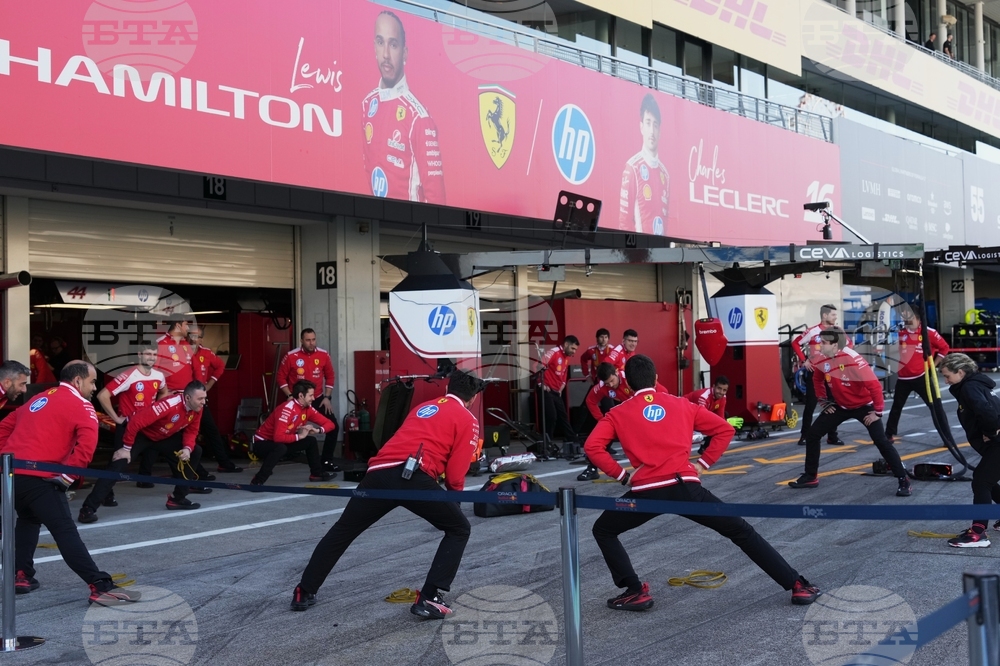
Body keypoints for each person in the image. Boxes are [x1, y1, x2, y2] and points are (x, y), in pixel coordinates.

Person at [585, 354, 821, 610]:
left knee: (604, 530)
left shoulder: (617, 412)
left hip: (645, 494)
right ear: (656, 378)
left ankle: (634, 590)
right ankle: (797, 585)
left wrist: (621, 475)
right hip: (687, 488)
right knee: (740, 531)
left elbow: (592, 446)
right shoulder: (681, 404)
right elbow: (724, 429)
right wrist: (703, 463)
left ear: (627, 385)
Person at [289, 370, 484, 618]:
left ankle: (304, 590)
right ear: (473, 398)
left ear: (447, 390)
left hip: (378, 474)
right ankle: (430, 597)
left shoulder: (423, 407)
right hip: (415, 477)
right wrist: (453, 504)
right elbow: (456, 474)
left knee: (343, 530)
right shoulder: (468, 419)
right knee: (459, 529)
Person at [0, 361, 140, 605]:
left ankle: (21, 575)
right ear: (78, 381)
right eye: (93, 381)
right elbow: (87, 445)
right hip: (41, 478)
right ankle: (99, 585)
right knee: (65, 530)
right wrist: (66, 477)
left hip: (13, 477)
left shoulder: (38, 399)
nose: (95, 387)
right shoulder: (82, 405)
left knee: (29, 520)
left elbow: (3, 427)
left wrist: (5, 460)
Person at [788, 328, 911, 497]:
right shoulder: (822, 358)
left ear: (835, 345)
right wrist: (824, 401)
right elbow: (817, 379)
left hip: (864, 406)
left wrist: (878, 412)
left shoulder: (852, 359)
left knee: (881, 441)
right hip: (841, 406)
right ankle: (810, 476)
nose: (819, 346)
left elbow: (874, 385)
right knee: (813, 434)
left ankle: (903, 479)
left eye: (823, 343)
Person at [82, 381, 210, 518]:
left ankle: (178, 499)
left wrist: (186, 448)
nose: (203, 402)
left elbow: (192, 431)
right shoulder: (169, 404)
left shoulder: (197, 408)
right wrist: (126, 448)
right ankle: (88, 509)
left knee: (195, 450)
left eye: (205, 398)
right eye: (200, 399)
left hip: (161, 436)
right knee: (118, 464)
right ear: (188, 398)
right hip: (137, 432)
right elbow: (135, 422)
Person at [361, 10, 445, 204]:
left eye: (394, 45)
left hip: (408, 229)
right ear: (374, 46)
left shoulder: (419, 118)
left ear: (404, 52)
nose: (386, 55)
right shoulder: (367, 104)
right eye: (381, 42)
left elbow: (437, 199)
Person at [82, 344, 169, 518]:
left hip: (150, 428)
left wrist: (157, 411)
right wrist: (116, 419)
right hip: (129, 428)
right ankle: (89, 508)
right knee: (118, 465)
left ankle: (181, 495)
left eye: (154, 354)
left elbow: (164, 392)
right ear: (139, 355)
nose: (151, 357)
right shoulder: (129, 375)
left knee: (188, 450)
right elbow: (102, 395)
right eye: (147, 354)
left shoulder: (159, 376)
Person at [940, 353, 1000, 547]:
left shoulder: (970, 387)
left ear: (960, 372)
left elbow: (987, 411)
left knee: (981, 482)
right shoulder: (976, 385)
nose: (946, 380)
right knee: (988, 481)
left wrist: (991, 432)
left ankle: (977, 533)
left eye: (947, 375)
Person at [251, 380, 336, 485]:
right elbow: (278, 437)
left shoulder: (307, 408)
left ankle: (316, 474)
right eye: (311, 395)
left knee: (311, 441)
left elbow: (331, 424)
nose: (313, 398)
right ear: (301, 396)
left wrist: (318, 430)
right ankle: (257, 480)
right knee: (280, 448)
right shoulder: (287, 409)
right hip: (262, 443)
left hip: (280, 443)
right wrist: (299, 436)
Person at [278, 328, 340, 472]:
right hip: (297, 401)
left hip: (317, 398)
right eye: (308, 340)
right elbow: (281, 377)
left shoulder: (323, 354)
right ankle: (282, 454)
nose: (311, 343)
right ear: (301, 340)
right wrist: (289, 396)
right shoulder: (291, 356)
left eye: (313, 339)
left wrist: (327, 397)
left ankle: (326, 461)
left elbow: (330, 376)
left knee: (333, 426)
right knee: (287, 429)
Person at [884, 312, 949, 444]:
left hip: (921, 377)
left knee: (936, 407)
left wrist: (932, 365)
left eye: (911, 318)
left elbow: (944, 348)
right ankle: (888, 434)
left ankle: (947, 438)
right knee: (896, 407)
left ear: (918, 318)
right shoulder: (900, 332)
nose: (907, 320)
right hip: (903, 378)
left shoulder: (928, 332)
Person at [791, 305, 848, 447]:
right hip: (815, 372)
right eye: (833, 315)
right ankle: (805, 435)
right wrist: (804, 361)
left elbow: (848, 344)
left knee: (833, 403)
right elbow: (795, 343)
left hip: (832, 372)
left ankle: (832, 436)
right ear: (824, 316)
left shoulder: (837, 331)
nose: (835, 317)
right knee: (810, 405)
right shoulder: (812, 331)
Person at [188, 326, 242, 473]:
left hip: (200, 400)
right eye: (191, 336)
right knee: (182, 433)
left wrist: (210, 384)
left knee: (211, 431)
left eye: (197, 337)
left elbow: (220, 366)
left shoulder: (206, 353)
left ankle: (224, 463)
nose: (194, 339)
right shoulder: (180, 352)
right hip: (183, 400)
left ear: (202, 339)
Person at [618, 93, 670, 236]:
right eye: (648, 123)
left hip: (661, 256)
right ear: (641, 127)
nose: (652, 131)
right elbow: (624, 223)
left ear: (660, 131)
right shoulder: (632, 168)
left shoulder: (665, 175)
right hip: (640, 256)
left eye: (655, 125)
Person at [538, 335, 580, 454]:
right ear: (566, 344)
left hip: (556, 391)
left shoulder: (566, 357)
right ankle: (547, 443)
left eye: (575, 349)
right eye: (572, 348)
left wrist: (562, 385)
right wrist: (541, 383)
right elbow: (538, 366)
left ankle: (573, 440)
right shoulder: (553, 352)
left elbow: (564, 373)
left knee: (563, 417)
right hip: (545, 389)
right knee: (551, 416)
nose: (574, 352)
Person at [155, 320, 194, 392]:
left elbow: (194, 368)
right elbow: (153, 372)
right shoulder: (161, 343)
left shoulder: (186, 344)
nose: (188, 328)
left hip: (188, 394)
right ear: (178, 326)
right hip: (170, 395)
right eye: (185, 325)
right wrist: (164, 393)